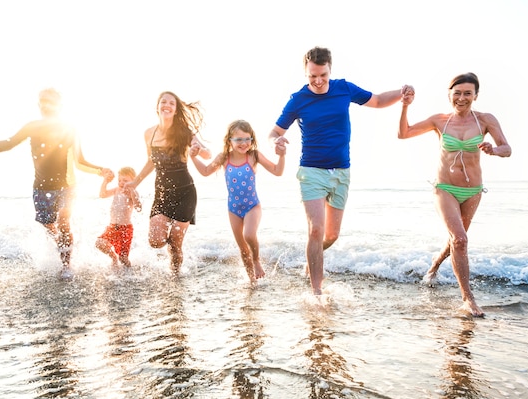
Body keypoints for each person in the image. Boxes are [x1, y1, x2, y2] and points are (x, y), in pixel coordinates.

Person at [268, 46, 411, 296]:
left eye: (323, 75)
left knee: (331, 235)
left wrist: (401, 94)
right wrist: (275, 143)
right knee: (315, 229)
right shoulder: (298, 99)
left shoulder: (344, 88)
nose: (318, 81)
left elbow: (376, 100)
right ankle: (316, 292)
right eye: (312, 76)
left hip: (341, 172)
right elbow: (275, 131)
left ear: (330, 69)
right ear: (306, 73)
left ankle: (311, 262)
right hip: (311, 170)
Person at [0, 88, 112, 279]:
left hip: (67, 186)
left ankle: (66, 265)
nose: (46, 104)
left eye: (51, 101)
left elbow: (79, 161)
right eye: (43, 101)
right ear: (39, 105)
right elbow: (8, 143)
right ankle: (63, 245)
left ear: (60, 106)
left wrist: (100, 170)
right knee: (48, 225)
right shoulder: (32, 127)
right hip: (41, 188)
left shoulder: (69, 128)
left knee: (63, 221)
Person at [398, 72, 511, 317]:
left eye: (467, 93)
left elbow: (507, 149)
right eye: (457, 93)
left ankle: (435, 265)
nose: (462, 98)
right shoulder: (440, 121)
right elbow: (404, 133)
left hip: (472, 191)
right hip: (445, 188)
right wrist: (405, 106)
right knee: (460, 240)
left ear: (476, 96)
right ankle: (468, 300)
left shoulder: (485, 120)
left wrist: (494, 149)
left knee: (456, 241)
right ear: (449, 95)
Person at [190, 119, 286, 285]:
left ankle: (256, 260)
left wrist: (282, 156)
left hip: (252, 206)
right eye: (239, 139)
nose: (244, 143)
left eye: (247, 139)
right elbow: (205, 172)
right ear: (230, 141)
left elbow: (277, 171)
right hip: (233, 209)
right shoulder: (223, 158)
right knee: (242, 249)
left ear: (252, 140)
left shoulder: (253, 156)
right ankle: (252, 282)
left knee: (248, 235)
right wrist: (193, 158)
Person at [129, 91, 211, 275]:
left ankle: (175, 275)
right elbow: (151, 161)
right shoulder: (149, 133)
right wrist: (135, 182)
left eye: (171, 103)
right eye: (163, 102)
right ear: (157, 107)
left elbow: (207, 154)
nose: (167, 105)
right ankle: (173, 250)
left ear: (175, 110)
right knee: (155, 241)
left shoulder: (184, 131)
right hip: (162, 193)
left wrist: (198, 150)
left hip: (185, 193)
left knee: (175, 244)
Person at [95, 166, 142, 268]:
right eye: (119, 180)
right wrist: (105, 182)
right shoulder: (116, 190)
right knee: (99, 243)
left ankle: (129, 272)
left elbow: (138, 208)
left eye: (125, 180)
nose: (121, 182)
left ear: (133, 181)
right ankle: (113, 258)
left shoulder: (132, 193)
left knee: (123, 259)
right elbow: (102, 194)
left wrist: (132, 192)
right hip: (112, 227)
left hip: (125, 229)